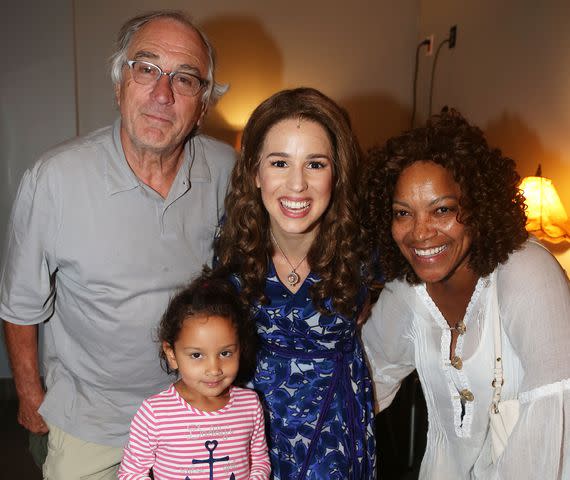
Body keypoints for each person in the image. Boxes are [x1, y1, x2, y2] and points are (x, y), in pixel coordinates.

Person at [0, 10, 236, 479]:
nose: (162, 95)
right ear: (119, 84)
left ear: (203, 103)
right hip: (92, 423)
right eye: (146, 69)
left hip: (197, 412)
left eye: (185, 79)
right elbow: (20, 304)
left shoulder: (230, 170)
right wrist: (30, 396)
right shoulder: (55, 180)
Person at [361, 108, 570, 479]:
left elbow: (554, 423)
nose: (420, 233)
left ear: (478, 206)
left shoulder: (528, 274)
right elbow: (362, 381)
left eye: (442, 209)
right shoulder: (407, 291)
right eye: (402, 213)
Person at [216, 87, 376, 479]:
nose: (297, 184)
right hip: (249, 434)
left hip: (336, 436)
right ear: (255, 171)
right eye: (280, 163)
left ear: (336, 173)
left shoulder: (365, 250)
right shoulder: (228, 248)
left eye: (316, 164)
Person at [118, 271, 271, 479]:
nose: (214, 369)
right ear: (172, 354)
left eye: (225, 353)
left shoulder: (251, 405)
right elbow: (131, 473)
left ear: (240, 349)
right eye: (197, 355)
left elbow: (259, 461)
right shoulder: (154, 414)